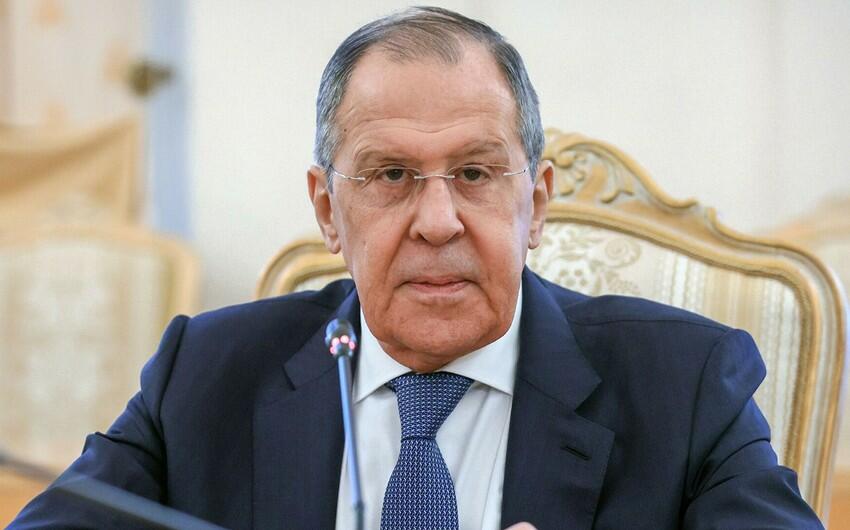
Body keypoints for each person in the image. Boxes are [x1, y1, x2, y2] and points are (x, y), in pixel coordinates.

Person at [11, 6, 822, 529]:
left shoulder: (684, 385)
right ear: (328, 211)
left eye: (475, 172)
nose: (438, 222)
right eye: (390, 175)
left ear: (537, 203)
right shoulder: (205, 376)